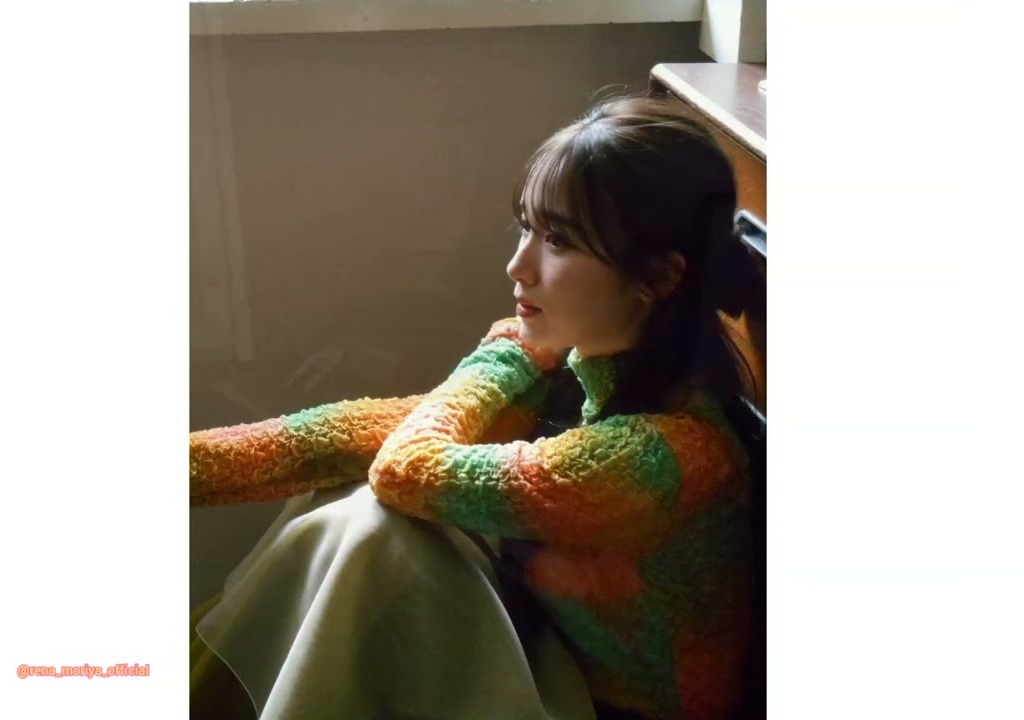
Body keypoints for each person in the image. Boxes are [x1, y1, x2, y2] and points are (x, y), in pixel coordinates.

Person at [189, 92, 761, 720]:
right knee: (343, 506)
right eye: (527, 228)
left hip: (603, 710)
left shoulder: (656, 460)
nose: (518, 265)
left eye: (559, 240)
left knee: (379, 533)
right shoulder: (587, 373)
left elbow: (405, 466)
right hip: (554, 661)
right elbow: (354, 438)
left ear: (657, 277)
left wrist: (504, 357)